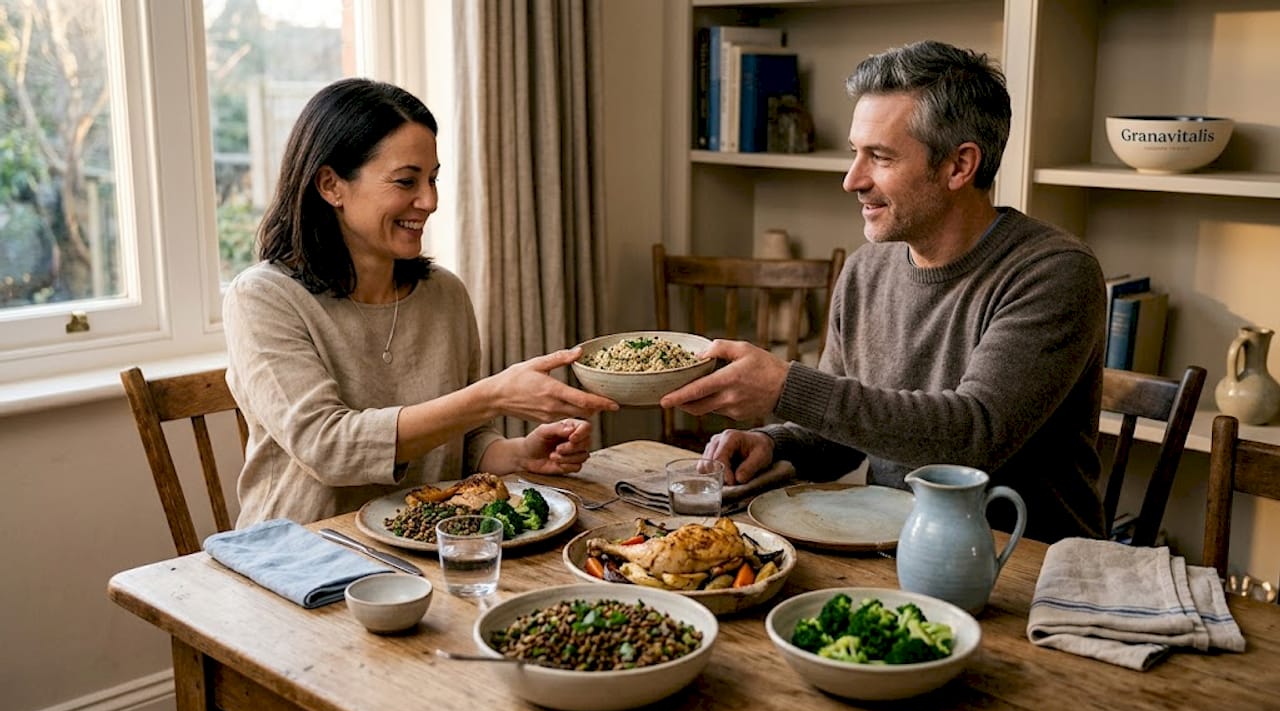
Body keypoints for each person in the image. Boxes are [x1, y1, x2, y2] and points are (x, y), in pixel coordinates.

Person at [662, 41, 1107, 543]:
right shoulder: (865, 269)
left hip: (1024, 562)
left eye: (879, 157)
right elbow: (844, 432)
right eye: (856, 153)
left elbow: (973, 437)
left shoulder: (1054, 273)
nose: (853, 179)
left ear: (959, 166)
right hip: (891, 544)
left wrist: (786, 387)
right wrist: (774, 443)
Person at [223, 78, 618, 527]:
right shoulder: (263, 298)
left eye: (432, 179)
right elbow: (328, 448)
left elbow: (463, 440)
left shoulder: (444, 294)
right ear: (331, 185)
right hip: (303, 556)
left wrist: (517, 453)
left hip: (433, 548)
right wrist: (492, 395)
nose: (429, 201)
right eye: (406, 181)